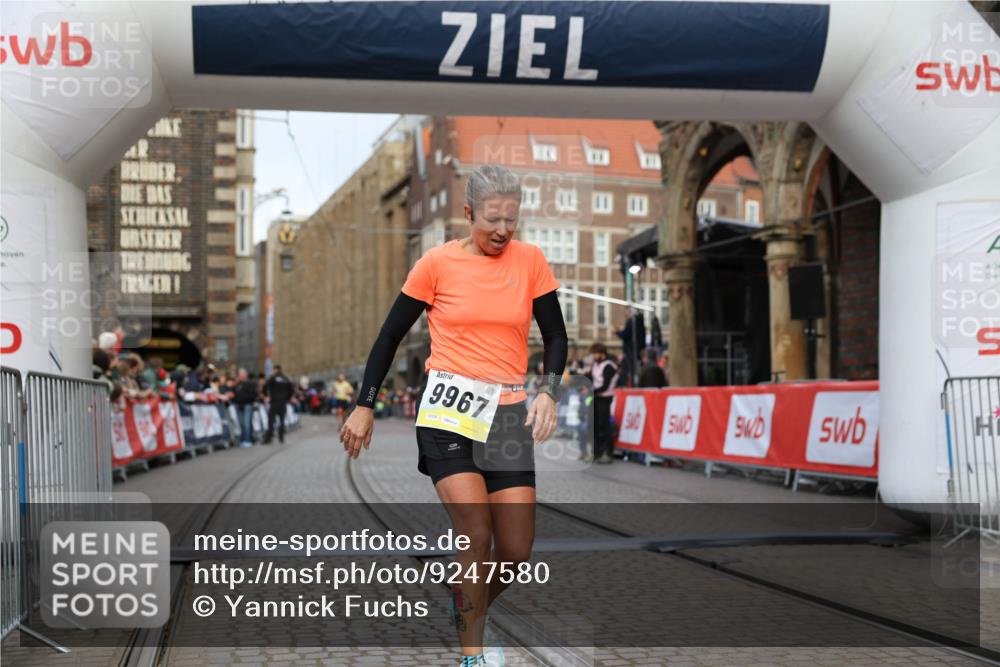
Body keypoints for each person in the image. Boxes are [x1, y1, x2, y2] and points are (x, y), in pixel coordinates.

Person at [340, 164, 567, 667]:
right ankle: (473, 655)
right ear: (468, 213)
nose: (503, 230)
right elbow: (389, 336)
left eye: (511, 219)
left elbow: (555, 335)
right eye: (492, 220)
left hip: (506, 418)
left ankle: (467, 601)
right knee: (476, 532)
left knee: (516, 550)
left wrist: (548, 392)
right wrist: (364, 404)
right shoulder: (435, 264)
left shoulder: (530, 260)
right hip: (449, 414)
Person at [586, 342, 619, 464]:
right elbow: (593, 379)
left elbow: (606, 385)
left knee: (604, 425)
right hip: (596, 397)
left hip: (605, 397)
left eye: (595, 354)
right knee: (594, 425)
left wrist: (593, 391)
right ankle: (596, 452)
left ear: (602, 353)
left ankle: (608, 453)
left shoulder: (609, 366)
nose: (594, 356)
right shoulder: (596, 364)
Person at [263, 365, 294, 444]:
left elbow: (265, 386)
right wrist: (286, 398)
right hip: (283, 402)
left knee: (271, 420)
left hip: (274, 402)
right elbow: (291, 390)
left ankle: (269, 437)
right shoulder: (285, 378)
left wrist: (266, 395)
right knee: (282, 421)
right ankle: (281, 437)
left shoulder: (272, 377)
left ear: (275, 370)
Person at [233, 368, 258, 448]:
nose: (241, 376)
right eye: (240, 375)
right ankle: (243, 439)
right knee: (242, 424)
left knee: (247, 423)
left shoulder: (250, 383)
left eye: (242, 374)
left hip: (247, 405)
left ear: (246, 375)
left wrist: (245, 399)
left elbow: (253, 395)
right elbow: (235, 394)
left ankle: (247, 440)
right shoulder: (238, 384)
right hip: (239, 405)